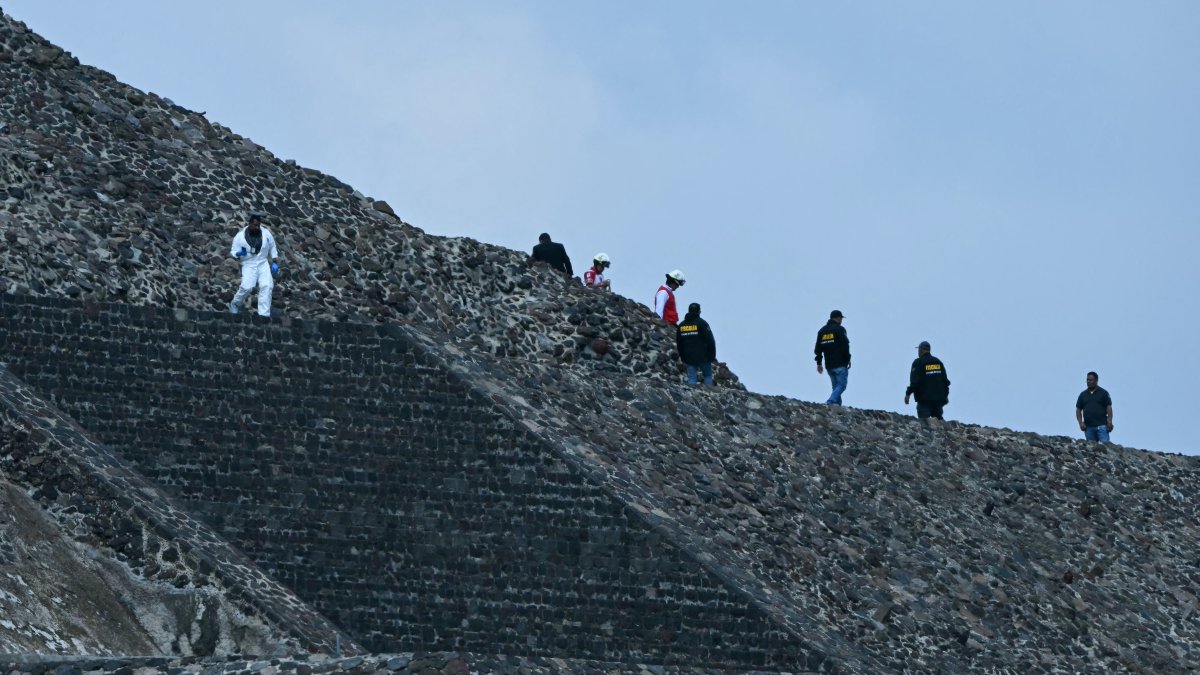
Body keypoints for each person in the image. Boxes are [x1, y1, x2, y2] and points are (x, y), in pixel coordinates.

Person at [228, 212, 280, 317]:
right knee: (247, 287)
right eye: (255, 225)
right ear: (250, 224)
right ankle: (235, 303)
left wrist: (274, 261)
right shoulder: (240, 236)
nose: (257, 227)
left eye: (258, 225)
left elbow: (272, 246)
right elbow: (233, 251)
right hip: (248, 263)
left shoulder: (266, 233)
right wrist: (238, 254)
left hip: (262, 262)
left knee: (267, 286)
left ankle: (264, 314)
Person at [905, 341, 950, 420]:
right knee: (938, 423)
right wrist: (945, 396)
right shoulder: (938, 362)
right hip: (938, 400)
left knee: (925, 424)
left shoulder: (918, 362)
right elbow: (945, 382)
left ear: (921, 350)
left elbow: (915, 381)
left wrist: (908, 394)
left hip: (924, 400)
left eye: (919, 349)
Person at [814, 310, 851, 405]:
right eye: (841, 318)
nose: (841, 320)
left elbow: (818, 349)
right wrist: (848, 359)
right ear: (838, 318)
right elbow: (845, 346)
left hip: (829, 365)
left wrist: (819, 363)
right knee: (842, 385)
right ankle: (830, 402)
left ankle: (836, 406)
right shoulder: (840, 330)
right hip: (840, 363)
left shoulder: (822, 331)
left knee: (836, 387)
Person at [677, 302, 716, 385]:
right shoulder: (702, 323)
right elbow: (710, 340)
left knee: (692, 378)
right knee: (707, 375)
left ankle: (691, 396)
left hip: (689, 356)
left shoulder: (681, 325)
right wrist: (712, 355)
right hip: (703, 356)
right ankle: (708, 394)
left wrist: (683, 356)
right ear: (699, 312)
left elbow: (679, 343)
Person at [1075, 371, 1114, 441]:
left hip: (1102, 427)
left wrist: (1109, 421)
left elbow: (1109, 407)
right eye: (1087, 380)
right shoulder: (1083, 395)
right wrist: (1080, 423)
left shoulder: (1104, 393)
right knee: (1092, 449)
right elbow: (1078, 409)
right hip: (1089, 427)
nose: (1088, 382)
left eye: (1091, 380)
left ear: (1096, 380)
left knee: (1104, 447)